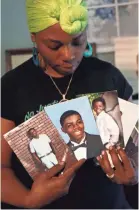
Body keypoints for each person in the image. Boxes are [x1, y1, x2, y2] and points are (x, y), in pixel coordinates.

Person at [1, 0, 137, 209]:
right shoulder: (11, 86)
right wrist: (29, 200)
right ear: (34, 38)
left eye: (77, 42)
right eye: (54, 46)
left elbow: (135, 147)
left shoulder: (108, 76)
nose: (69, 55)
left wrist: (134, 173)